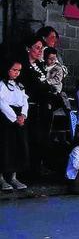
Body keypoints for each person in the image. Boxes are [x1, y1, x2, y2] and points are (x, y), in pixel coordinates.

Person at [18, 36, 53, 176]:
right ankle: (24, 169)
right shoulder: (23, 66)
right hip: (29, 107)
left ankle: (37, 167)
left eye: (42, 49)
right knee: (29, 138)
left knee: (41, 138)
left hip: (42, 108)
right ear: (28, 48)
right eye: (37, 48)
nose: (40, 51)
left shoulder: (40, 66)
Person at [0, 60, 30, 191]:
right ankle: (1, 179)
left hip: (19, 118)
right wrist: (14, 117)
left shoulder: (20, 86)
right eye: (14, 70)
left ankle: (13, 177)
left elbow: (25, 101)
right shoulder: (1, 84)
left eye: (18, 70)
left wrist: (23, 115)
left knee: (18, 146)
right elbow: (2, 103)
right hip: (6, 118)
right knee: (5, 147)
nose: (16, 73)